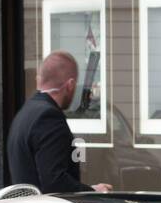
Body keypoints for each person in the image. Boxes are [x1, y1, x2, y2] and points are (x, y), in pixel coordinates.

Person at [7, 51, 112, 194]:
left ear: (40, 80)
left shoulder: (25, 112)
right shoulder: (48, 118)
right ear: (70, 85)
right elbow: (55, 182)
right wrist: (93, 191)